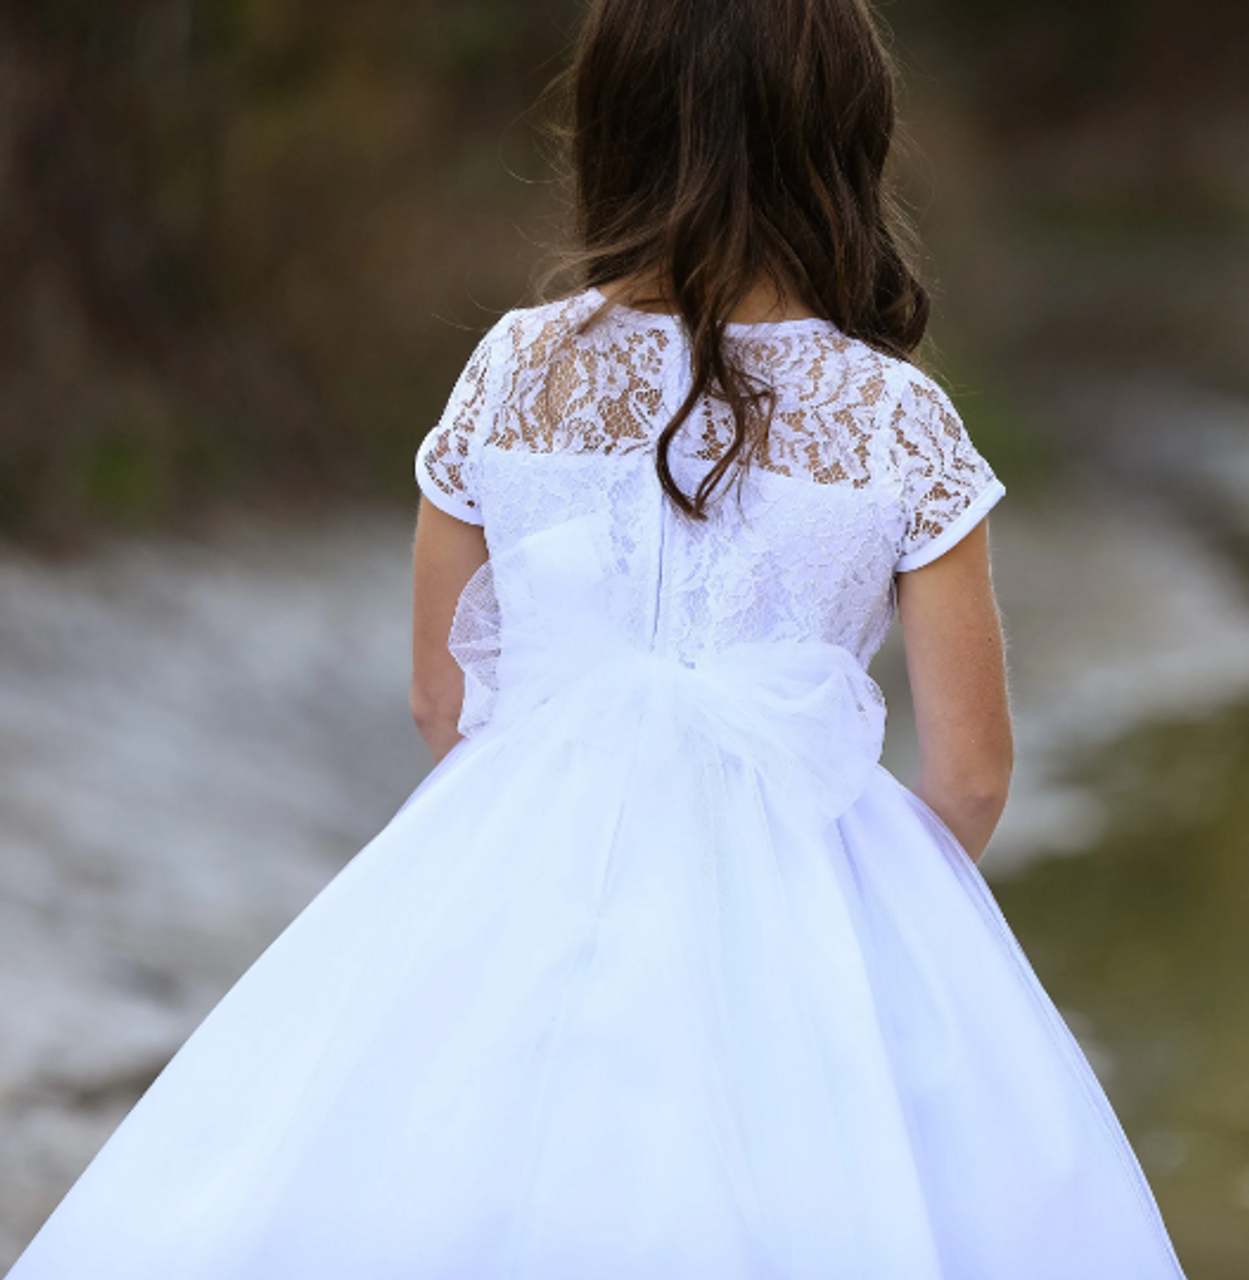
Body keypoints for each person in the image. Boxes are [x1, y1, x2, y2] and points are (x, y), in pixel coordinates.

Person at [8, 1, 1186, 1276]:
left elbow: (439, 698)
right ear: (844, 138)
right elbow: (970, 772)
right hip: (800, 900)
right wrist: (840, 923)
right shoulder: (899, 420)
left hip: (525, 865)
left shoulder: (511, 372)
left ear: (614, 130)